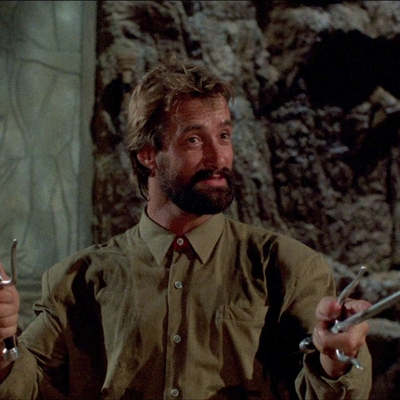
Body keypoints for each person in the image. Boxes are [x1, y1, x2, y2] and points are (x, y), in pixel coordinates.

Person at [0, 59, 371, 399]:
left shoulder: (288, 268)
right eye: (194, 140)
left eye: (224, 136)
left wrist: (335, 361)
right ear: (148, 155)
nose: (218, 157)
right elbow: (25, 387)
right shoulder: (76, 281)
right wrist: (2, 343)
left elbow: (327, 388)